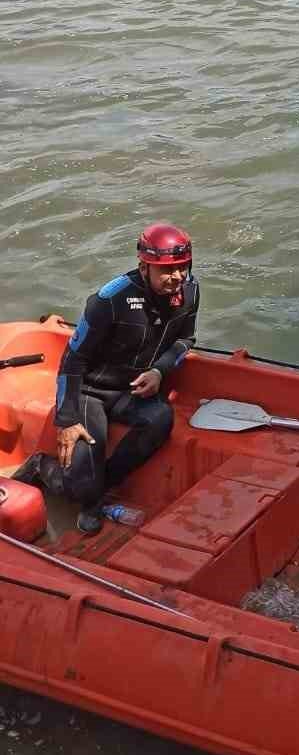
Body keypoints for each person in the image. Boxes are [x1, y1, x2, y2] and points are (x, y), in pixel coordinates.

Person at [13, 223, 198, 535]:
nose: (177, 277)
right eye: (167, 270)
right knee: (80, 486)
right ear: (144, 267)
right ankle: (42, 467)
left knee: (161, 418)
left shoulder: (189, 291)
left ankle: (95, 491)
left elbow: (186, 341)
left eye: (182, 268)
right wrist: (67, 419)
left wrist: (159, 371)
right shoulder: (108, 300)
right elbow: (73, 360)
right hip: (91, 392)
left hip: (132, 391)